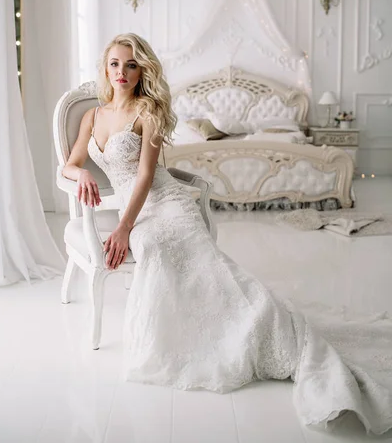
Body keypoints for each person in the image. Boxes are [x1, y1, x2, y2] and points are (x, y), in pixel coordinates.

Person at [62, 33, 391, 436]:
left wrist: (123, 227)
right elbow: (71, 163)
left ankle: (253, 325)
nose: (122, 72)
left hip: (163, 202)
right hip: (137, 207)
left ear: (142, 69)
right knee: (155, 248)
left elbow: (147, 175)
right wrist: (78, 173)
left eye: (131, 65)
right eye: (115, 64)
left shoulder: (146, 111)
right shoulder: (91, 117)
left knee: (160, 245)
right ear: (105, 67)